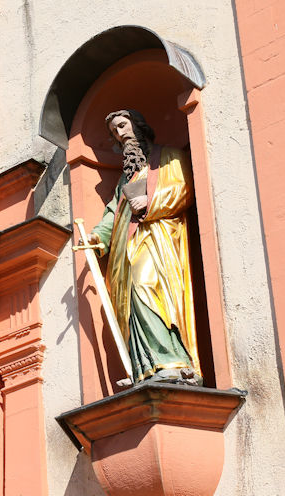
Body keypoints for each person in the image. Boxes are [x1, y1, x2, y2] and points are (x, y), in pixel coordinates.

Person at [85, 109, 202, 384]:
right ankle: (145, 367)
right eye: (115, 131)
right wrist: (98, 237)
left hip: (157, 238)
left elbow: (183, 189)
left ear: (138, 125)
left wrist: (150, 201)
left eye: (123, 125)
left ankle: (172, 360)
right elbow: (113, 213)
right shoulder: (125, 179)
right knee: (129, 302)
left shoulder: (169, 157)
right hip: (126, 247)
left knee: (146, 286)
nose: (120, 133)